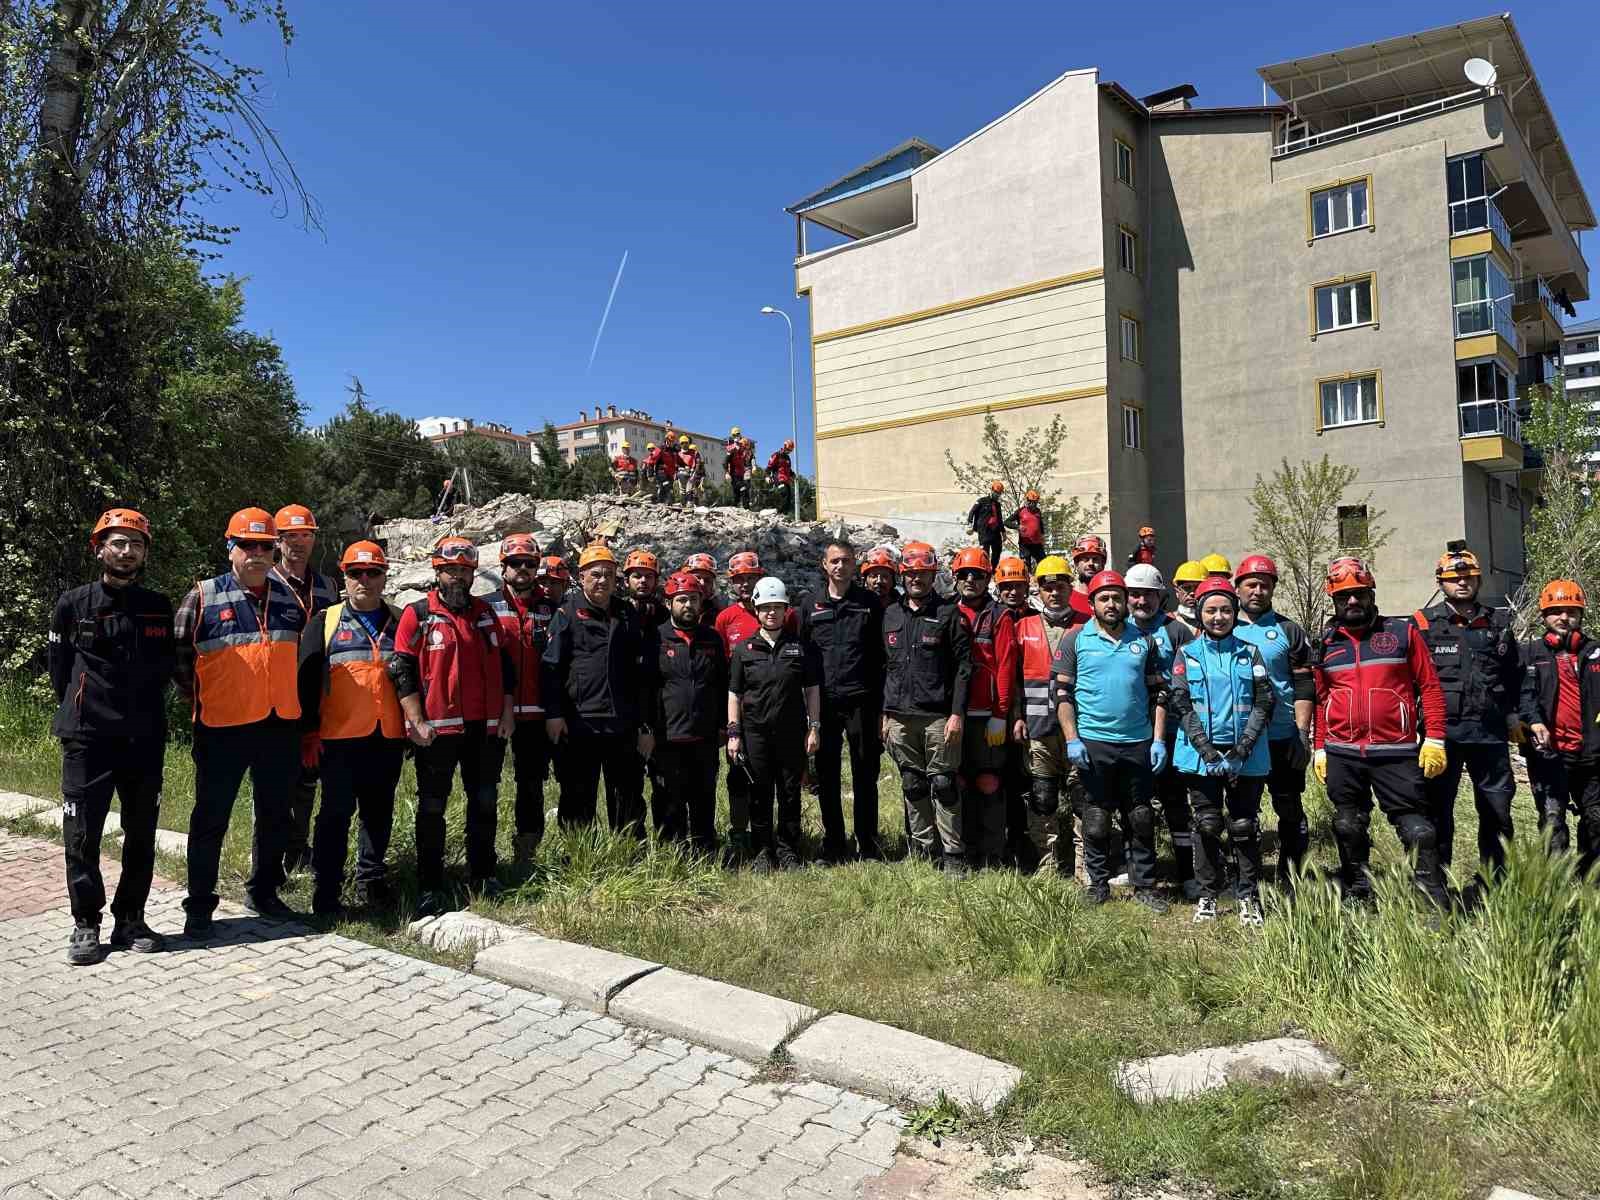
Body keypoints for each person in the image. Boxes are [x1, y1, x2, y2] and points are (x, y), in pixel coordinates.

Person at [175, 508, 308, 936]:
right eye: (247, 545)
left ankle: (264, 892)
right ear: (231, 548)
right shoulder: (203, 595)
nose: (256, 553)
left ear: (275, 550)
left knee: (274, 816)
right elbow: (178, 658)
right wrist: (202, 697)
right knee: (211, 818)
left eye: (265, 546)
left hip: (278, 726)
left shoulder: (290, 599)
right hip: (222, 727)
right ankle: (199, 906)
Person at [50, 509, 175, 964]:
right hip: (87, 737)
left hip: (143, 738)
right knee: (82, 833)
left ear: (144, 553)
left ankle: (130, 919)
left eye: (135, 544)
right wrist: (81, 708)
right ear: (99, 548)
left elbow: (166, 668)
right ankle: (86, 923)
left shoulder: (158, 606)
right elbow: (58, 670)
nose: (126, 551)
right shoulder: (73, 603)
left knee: (141, 833)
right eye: (117, 542)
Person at [1311, 557, 1451, 908]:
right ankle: (1358, 889)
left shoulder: (1401, 633)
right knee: (1347, 824)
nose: (1353, 602)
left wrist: (1434, 738)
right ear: (1334, 600)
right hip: (1342, 752)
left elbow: (1430, 687)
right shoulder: (1326, 644)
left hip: (1396, 751)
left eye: (1359, 593)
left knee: (1418, 830)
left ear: (1371, 593)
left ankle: (1432, 901)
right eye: (1344, 597)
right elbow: (1321, 698)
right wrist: (1320, 747)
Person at [390, 536, 514, 916]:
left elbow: (504, 666)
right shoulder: (418, 614)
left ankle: (483, 874)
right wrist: (415, 721)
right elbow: (400, 669)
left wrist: (507, 713)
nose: (458, 578)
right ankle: (430, 883)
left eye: (464, 570)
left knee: (484, 802)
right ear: (437, 572)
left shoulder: (485, 613)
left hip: (485, 730)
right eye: (451, 571)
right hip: (437, 733)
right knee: (431, 809)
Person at [296, 541, 405, 915]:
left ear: (384, 576)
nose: (364, 580)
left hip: (387, 736)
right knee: (335, 814)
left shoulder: (400, 620)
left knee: (378, 813)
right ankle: (326, 890)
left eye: (372, 572)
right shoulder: (324, 622)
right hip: (338, 739)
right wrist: (308, 732)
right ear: (344, 577)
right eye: (356, 573)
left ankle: (370, 882)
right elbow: (305, 680)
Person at [1052, 569, 1170, 911]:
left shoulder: (1144, 640)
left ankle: (1145, 885)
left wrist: (1159, 740)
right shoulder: (1075, 639)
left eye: (1117, 597)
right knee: (1096, 817)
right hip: (1093, 742)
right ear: (1091, 604)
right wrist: (1072, 739)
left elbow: (1159, 694)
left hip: (1137, 742)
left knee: (1141, 816)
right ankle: (1098, 884)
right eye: (1104, 598)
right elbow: (1061, 693)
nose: (1111, 603)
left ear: (1125, 602)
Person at [1168, 578, 1274, 926]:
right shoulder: (1187, 655)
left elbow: (1263, 701)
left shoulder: (1250, 652)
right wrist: (1209, 753)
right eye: (1211, 610)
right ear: (1199, 613)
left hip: (1246, 755)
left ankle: (1248, 897)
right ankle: (1209, 894)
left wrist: (1242, 749)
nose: (1218, 617)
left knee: (1244, 825)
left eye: (1226, 610)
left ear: (1235, 612)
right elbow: (1181, 703)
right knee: (1207, 823)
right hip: (1202, 758)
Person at [1411, 545, 1520, 881]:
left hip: (1490, 735)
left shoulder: (1499, 623)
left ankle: (1495, 882)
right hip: (1443, 736)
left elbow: (1514, 674)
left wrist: (1514, 715)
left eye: (1469, 578)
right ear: (1440, 583)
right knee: (1437, 812)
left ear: (1478, 580)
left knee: (1497, 812)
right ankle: (1436, 883)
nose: (1462, 583)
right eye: (1453, 579)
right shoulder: (1423, 623)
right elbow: (1411, 679)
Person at [541, 543, 658, 839]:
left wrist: (644, 724)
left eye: (608, 574)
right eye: (595, 574)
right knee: (577, 796)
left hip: (622, 722)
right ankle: (581, 856)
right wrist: (554, 714)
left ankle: (629, 854)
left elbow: (641, 674)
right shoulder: (567, 613)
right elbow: (551, 668)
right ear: (581, 577)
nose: (602, 580)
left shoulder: (627, 613)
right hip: (580, 722)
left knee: (628, 795)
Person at [882, 541, 973, 876]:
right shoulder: (891, 614)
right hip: (899, 716)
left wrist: (956, 714)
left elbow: (964, 667)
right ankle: (925, 849)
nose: (916, 579)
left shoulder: (949, 614)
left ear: (933, 574)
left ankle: (953, 854)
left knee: (944, 785)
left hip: (938, 716)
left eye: (922, 573)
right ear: (902, 576)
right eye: (910, 574)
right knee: (912, 784)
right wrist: (885, 714)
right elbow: (885, 667)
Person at [797, 541, 886, 861]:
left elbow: (881, 657)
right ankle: (833, 842)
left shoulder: (870, 603)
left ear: (855, 565)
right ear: (824, 565)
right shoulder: (809, 605)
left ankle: (868, 843)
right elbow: (803, 659)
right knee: (827, 774)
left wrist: (881, 709)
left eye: (846, 561)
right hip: (825, 704)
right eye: (834, 561)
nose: (840, 566)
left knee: (865, 773)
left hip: (862, 700)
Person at [728, 577, 822, 870]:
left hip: (792, 732)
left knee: (790, 792)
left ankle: (788, 850)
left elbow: (812, 690)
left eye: (777, 608)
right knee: (760, 792)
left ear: (785, 611)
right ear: (756, 610)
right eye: (766, 607)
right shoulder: (744, 650)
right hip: (755, 732)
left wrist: (814, 727)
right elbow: (734, 694)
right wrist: (734, 733)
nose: (772, 613)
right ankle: (762, 851)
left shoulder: (799, 647)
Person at [1233, 555, 1316, 888]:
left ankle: (1291, 877)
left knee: (1290, 810)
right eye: (1251, 584)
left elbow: (1304, 685)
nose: (1257, 590)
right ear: (1237, 588)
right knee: (1242, 816)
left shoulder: (1288, 630)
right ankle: (1245, 879)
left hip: (1282, 735)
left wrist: (1302, 734)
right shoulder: (1223, 625)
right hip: (1241, 741)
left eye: (1264, 584)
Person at [272, 503, 340, 878]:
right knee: (278, 780)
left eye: (306, 535)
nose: (298, 543)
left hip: (319, 696)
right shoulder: (264, 583)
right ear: (278, 541)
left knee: (310, 777)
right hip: (277, 695)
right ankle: (273, 855)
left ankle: (299, 850)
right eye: (290, 537)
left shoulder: (328, 586)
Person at [1014, 556, 1089, 877]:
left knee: (1083, 798)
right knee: (1042, 798)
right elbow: (1012, 678)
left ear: (1070, 588)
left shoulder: (1087, 625)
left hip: (1080, 728)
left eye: (1060, 586)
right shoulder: (1023, 626)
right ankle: (1047, 866)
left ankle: (1086, 866)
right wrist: (1016, 716)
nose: (1054, 593)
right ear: (1038, 591)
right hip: (1037, 727)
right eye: (1047, 588)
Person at [1518, 580, 1600, 870]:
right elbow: (1523, 696)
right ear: (1544, 615)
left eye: (1571, 611)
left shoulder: (1595, 652)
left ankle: (1589, 883)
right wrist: (1534, 721)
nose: (1564, 617)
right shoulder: (1528, 654)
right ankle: (1559, 884)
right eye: (1556, 611)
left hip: (1592, 755)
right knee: (1553, 822)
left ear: (1580, 615)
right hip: (1548, 755)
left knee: (1596, 820)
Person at [1126, 563, 1196, 899]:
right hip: (1131, 733)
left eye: (1148, 595)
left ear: (1160, 596)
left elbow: (1192, 682)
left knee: (1176, 804)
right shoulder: (1116, 628)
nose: (1141, 601)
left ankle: (1188, 873)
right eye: (1135, 594)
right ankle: (1139, 873)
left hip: (1172, 731)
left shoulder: (1177, 630)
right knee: (1137, 807)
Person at [714, 551, 789, 860]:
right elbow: (721, 670)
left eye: (750, 578)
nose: (745, 584)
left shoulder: (783, 613)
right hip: (739, 710)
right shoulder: (725, 618)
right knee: (739, 776)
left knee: (781, 778)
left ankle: (779, 839)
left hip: (775, 711)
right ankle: (740, 834)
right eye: (739, 580)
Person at [650, 570, 727, 851]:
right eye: (682, 600)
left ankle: (705, 849)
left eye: (694, 600)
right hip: (668, 736)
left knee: (704, 796)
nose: (689, 606)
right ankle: (672, 851)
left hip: (704, 736)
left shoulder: (712, 639)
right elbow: (648, 687)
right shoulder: (656, 638)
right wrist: (649, 729)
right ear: (669, 603)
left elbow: (721, 684)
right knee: (668, 797)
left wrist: (722, 726)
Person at [491, 533, 556, 864]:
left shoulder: (551, 608)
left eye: (530, 564)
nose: (523, 569)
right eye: (515, 563)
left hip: (536, 713)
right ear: (503, 566)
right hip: (492, 714)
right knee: (485, 786)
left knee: (531, 785)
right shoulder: (486, 606)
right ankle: (483, 855)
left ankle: (525, 854)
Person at [952, 548, 1016, 867]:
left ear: (988, 579)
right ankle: (964, 850)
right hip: (956, 716)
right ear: (955, 578)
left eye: (977, 575)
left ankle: (993, 853)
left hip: (988, 716)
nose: (970, 580)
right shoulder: (949, 612)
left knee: (988, 782)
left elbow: (1006, 665)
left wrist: (1000, 714)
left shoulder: (1000, 616)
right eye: (964, 574)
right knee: (959, 781)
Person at [1067, 535, 1107, 625]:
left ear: (1103, 563)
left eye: (1095, 559)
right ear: (1076, 563)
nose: (1090, 563)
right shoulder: (1066, 597)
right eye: (1085, 559)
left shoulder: (1110, 598)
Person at [623, 549, 669, 627]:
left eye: (648, 576)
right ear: (626, 581)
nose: (643, 580)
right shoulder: (616, 611)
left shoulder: (665, 614)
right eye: (637, 576)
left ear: (656, 582)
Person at [1006, 490, 1048, 573]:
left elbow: (1040, 525)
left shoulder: (1038, 511)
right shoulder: (1020, 511)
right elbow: (1007, 522)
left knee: (1043, 563)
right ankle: (1027, 582)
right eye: (1031, 502)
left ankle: (1042, 580)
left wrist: (1043, 536)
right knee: (1026, 565)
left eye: (1035, 503)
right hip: (1025, 543)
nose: (1033, 505)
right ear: (1027, 501)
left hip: (1037, 543)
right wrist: (1017, 526)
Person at [968, 482, 1006, 568]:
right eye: (996, 492)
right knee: (985, 553)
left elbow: (1000, 519)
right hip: (984, 531)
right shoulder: (981, 501)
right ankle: (985, 569)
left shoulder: (998, 505)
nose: (997, 495)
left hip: (995, 532)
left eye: (999, 493)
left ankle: (993, 570)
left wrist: (1003, 533)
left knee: (997, 550)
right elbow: (972, 512)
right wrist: (970, 524)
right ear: (992, 490)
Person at [683, 552, 725, 628]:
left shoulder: (721, 615)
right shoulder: (668, 612)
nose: (702, 583)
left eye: (707, 580)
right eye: (697, 578)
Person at [1171, 562, 1206, 630]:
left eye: (1197, 587)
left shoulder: (1214, 622)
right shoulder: (1168, 622)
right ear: (1177, 592)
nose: (1192, 593)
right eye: (1187, 588)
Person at [767, 439, 796, 513]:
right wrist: (767, 476)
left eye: (790, 451)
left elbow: (788, 470)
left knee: (789, 497)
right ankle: (779, 512)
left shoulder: (787, 458)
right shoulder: (777, 455)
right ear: (785, 447)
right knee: (784, 493)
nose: (789, 452)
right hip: (778, 478)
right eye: (788, 449)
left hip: (786, 479)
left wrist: (793, 474)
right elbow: (769, 466)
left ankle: (784, 514)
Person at [725, 428, 752, 509]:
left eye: (737, 434)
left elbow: (746, 461)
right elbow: (725, 461)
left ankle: (735, 506)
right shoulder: (731, 448)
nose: (736, 436)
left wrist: (749, 468)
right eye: (734, 435)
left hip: (741, 473)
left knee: (737, 494)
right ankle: (746, 508)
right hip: (733, 474)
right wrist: (726, 473)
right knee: (744, 488)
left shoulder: (743, 448)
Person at [678, 435, 706, 505]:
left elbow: (699, 466)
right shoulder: (678, 454)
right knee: (683, 491)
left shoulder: (695, 453)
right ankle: (684, 504)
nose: (684, 445)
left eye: (686, 443)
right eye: (682, 443)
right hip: (681, 474)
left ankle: (691, 503)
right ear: (680, 444)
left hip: (692, 475)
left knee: (690, 490)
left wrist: (696, 476)